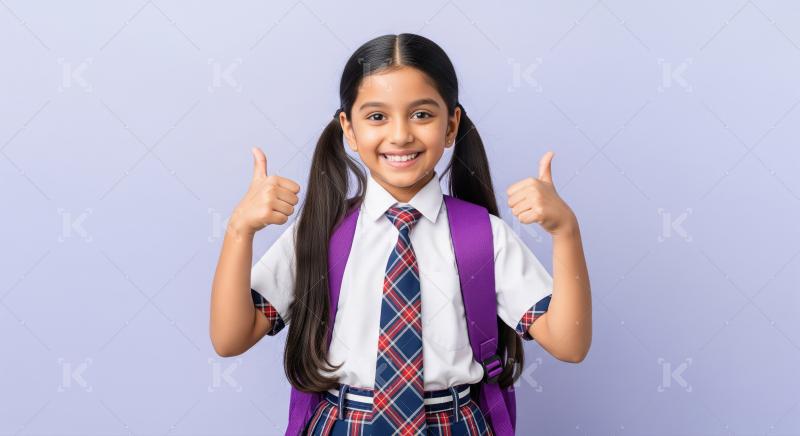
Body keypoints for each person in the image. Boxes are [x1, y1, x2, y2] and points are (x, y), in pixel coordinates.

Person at [210, 33, 592, 435]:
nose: (400, 135)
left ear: (451, 125)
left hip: (454, 424)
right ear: (349, 130)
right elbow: (230, 338)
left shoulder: (482, 235)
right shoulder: (318, 233)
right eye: (377, 117)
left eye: (422, 115)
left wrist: (566, 232)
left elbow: (569, 344)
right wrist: (239, 231)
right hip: (344, 424)